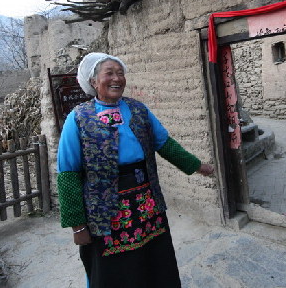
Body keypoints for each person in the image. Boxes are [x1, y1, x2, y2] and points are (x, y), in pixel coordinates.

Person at [56, 52, 214, 288]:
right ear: (93, 81)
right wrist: (78, 226)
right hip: (105, 214)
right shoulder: (78, 118)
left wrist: (196, 166)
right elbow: (68, 175)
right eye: (109, 73)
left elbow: (165, 144)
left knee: (155, 264)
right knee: (114, 273)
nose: (116, 78)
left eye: (120, 73)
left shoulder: (138, 110)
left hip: (147, 205)